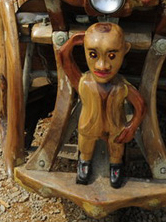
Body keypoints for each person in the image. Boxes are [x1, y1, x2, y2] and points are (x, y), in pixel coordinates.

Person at [57, 23, 145, 189]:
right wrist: (73, 41)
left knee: (117, 149)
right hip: (89, 127)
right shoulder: (84, 82)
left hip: (116, 127)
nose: (102, 66)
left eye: (112, 56)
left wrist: (132, 127)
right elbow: (64, 60)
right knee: (85, 147)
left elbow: (140, 105)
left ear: (125, 50)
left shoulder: (121, 86)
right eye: (93, 55)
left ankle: (116, 167)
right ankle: (84, 163)